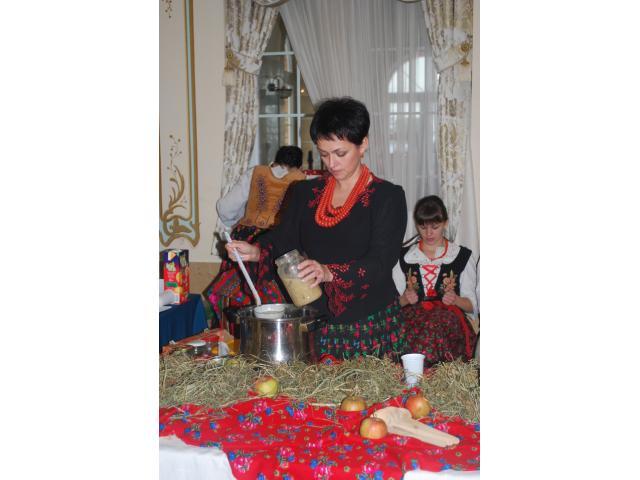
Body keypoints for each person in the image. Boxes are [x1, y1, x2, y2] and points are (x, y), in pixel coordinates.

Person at [226, 97, 408, 360]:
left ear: (363, 144)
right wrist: (254, 252)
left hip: (369, 324)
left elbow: (380, 262)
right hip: (315, 318)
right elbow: (284, 240)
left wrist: (328, 272)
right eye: (324, 154)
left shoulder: (386, 197)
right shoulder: (305, 192)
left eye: (340, 153)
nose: (331, 163)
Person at [206, 146, 306, 327]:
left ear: (274, 161)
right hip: (280, 244)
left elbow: (225, 208)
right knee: (281, 298)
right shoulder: (303, 180)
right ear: (299, 166)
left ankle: (235, 333)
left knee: (233, 293)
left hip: (246, 240)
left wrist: (243, 220)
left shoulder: (255, 173)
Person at [392, 195, 478, 367]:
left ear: (445, 223)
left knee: (434, 327)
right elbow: (393, 305)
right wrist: (405, 299)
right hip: (412, 319)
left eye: (435, 227)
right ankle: (413, 375)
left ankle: (428, 375)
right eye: (423, 227)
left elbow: (472, 306)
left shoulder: (462, 256)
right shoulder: (403, 257)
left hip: (448, 320)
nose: (429, 233)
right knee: (404, 330)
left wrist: (456, 299)